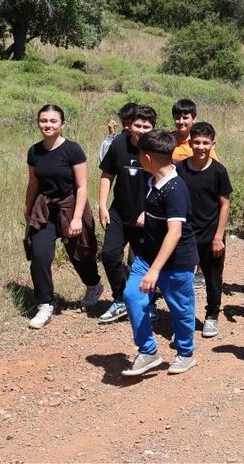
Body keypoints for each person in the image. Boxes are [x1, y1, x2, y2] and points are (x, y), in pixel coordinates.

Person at [120, 129, 199, 376]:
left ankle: (185, 354)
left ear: (149, 158)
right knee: (132, 295)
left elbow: (174, 232)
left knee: (180, 308)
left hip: (176, 262)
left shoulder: (175, 189)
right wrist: (148, 215)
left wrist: (155, 271)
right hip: (148, 255)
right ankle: (148, 350)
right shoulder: (153, 181)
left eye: (140, 155)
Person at [23, 105, 102, 329]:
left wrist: (77, 218)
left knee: (80, 253)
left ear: (62, 124)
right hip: (45, 208)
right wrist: (27, 206)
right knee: (40, 255)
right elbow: (33, 183)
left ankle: (93, 284)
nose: (47, 125)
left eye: (53, 121)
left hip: (70, 205)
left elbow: (82, 186)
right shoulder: (34, 151)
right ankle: (45, 304)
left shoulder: (72, 150)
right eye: (43, 121)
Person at [97, 104, 157, 324]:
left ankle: (148, 303)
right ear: (129, 125)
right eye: (137, 125)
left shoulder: (157, 148)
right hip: (119, 212)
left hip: (147, 216)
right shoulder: (118, 144)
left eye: (146, 126)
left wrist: (150, 211)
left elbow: (163, 183)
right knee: (110, 255)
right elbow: (107, 175)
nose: (140, 130)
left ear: (153, 128)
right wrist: (102, 205)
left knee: (143, 263)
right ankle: (120, 299)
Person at [175, 122, 233, 338]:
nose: (200, 146)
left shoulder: (219, 171)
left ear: (213, 144)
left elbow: (224, 204)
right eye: (197, 142)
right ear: (189, 143)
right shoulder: (179, 169)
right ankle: (185, 320)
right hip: (185, 234)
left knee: (212, 277)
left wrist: (219, 237)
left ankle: (212, 316)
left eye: (205, 143)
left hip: (211, 235)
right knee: (182, 279)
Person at [171, 99, 218, 163]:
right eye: (177, 118)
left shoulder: (201, 142)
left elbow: (214, 167)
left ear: (194, 119)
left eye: (185, 118)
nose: (181, 122)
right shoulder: (167, 140)